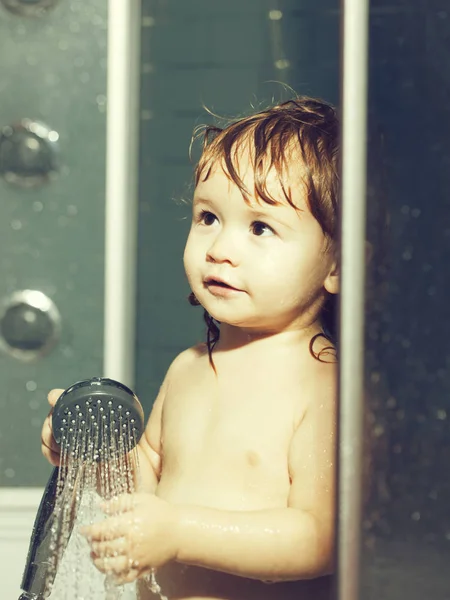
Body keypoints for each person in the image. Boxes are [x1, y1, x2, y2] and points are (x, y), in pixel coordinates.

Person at [41, 96, 340, 600]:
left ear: (339, 266)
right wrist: (96, 459)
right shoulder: (189, 369)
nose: (220, 248)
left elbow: (319, 539)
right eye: (208, 217)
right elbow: (147, 484)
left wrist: (178, 532)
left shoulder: (324, 386)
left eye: (260, 227)